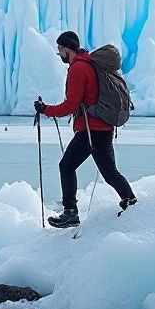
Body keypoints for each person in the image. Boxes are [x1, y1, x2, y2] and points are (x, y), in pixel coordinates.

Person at [36, 31, 137, 228]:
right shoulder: (88, 63)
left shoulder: (79, 69)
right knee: (109, 172)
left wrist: (45, 109)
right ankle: (129, 202)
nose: (59, 54)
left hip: (92, 130)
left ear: (67, 48)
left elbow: (70, 105)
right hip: (100, 128)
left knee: (67, 166)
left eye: (59, 49)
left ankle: (71, 213)